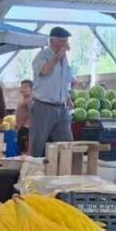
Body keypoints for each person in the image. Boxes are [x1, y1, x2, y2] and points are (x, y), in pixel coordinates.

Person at [29, 27, 74, 157]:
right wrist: (56, 58)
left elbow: (63, 80)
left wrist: (67, 97)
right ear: (53, 41)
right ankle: (32, 171)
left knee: (67, 144)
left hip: (61, 107)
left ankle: (65, 172)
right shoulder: (42, 56)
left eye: (66, 42)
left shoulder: (64, 60)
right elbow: (44, 71)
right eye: (62, 41)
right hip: (43, 106)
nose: (66, 45)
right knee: (38, 143)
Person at [14, 79, 34, 153]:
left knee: (24, 149)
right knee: (20, 147)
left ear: (31, 89)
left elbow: (32, 113)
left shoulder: (30, 100)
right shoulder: (23, 99)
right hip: (20, 128)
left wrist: (27, 125)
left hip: (26, 129)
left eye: (25, 87)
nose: (22, 89)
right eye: (21, 87)